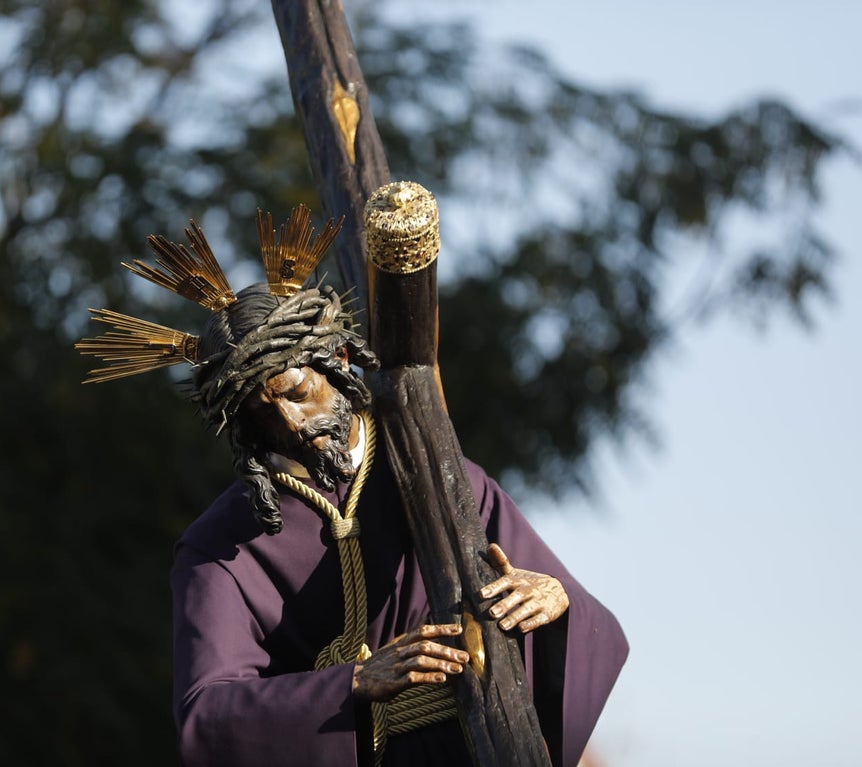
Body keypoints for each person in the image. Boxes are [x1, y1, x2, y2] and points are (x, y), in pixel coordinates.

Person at [77, 208, 628, 767]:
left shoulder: (439, 471)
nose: (290, 423)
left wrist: (554, 602)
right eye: (261, 413)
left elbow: (584, 618)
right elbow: (205, 715)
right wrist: (353, 682)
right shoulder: (221, 548)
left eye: (295, 390)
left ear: (337, 359)